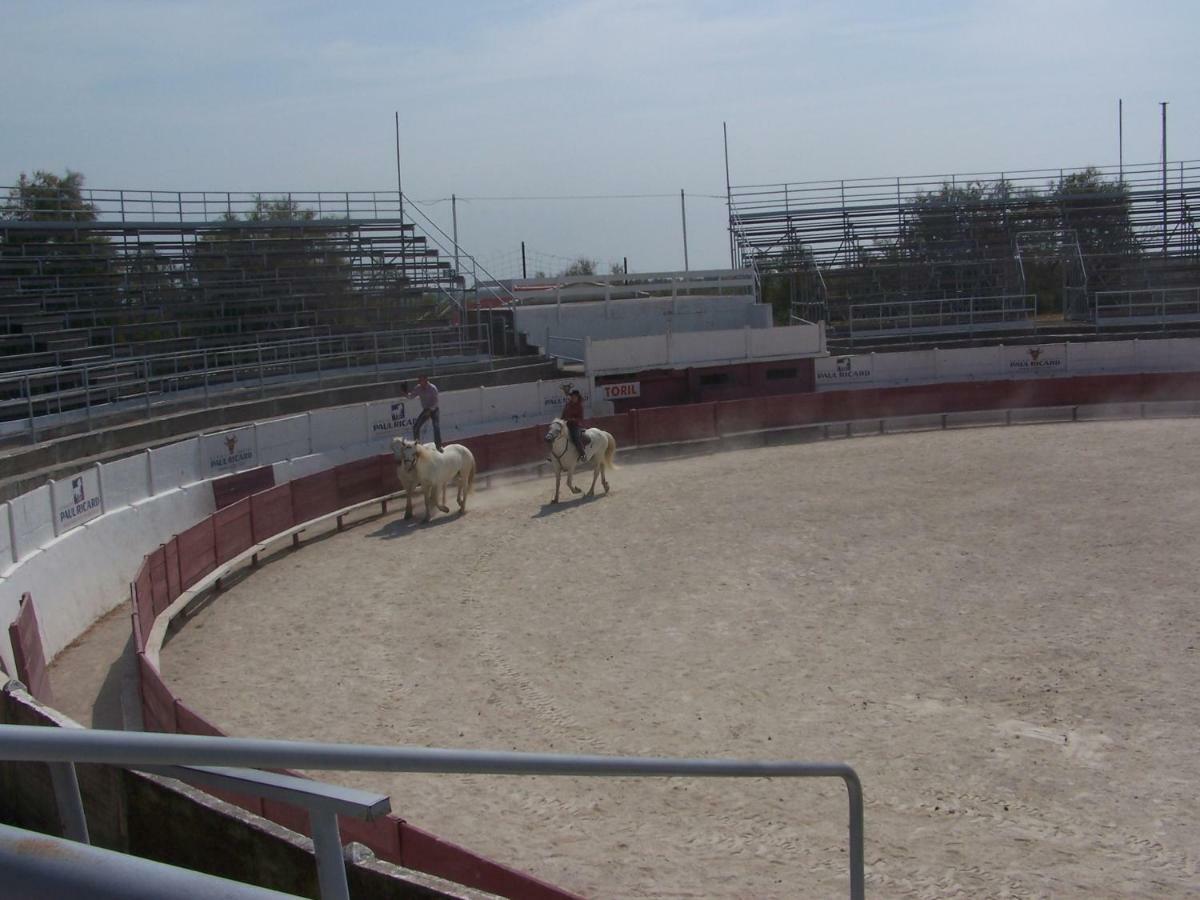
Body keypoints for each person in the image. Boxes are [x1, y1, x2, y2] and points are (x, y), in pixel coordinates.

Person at [400, 375, 443, 451]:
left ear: (426, 380)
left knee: (436, 426)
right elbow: (411, 396)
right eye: (419, 380)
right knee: (416, 426)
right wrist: (405, 393)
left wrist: (430, 410)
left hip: (434, 409)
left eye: (421, 380)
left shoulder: (433, 388)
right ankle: (418, 446)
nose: (419, 382)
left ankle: (439, 446)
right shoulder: (418, 388)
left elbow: (436, 402)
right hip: (426, 409)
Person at [560, 384, 589, 459]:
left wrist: (572, 419)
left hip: (575, 425)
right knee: (555, 435)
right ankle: (555, 455)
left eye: (575, 397)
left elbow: (581, 418)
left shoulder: (579, 406)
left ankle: (583, 454)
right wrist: (560, 421)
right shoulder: (568, 404)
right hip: (565, 424)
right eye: (572, 396)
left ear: (577, 397)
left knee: (575, 438)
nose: (573, 398)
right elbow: (563, 413)